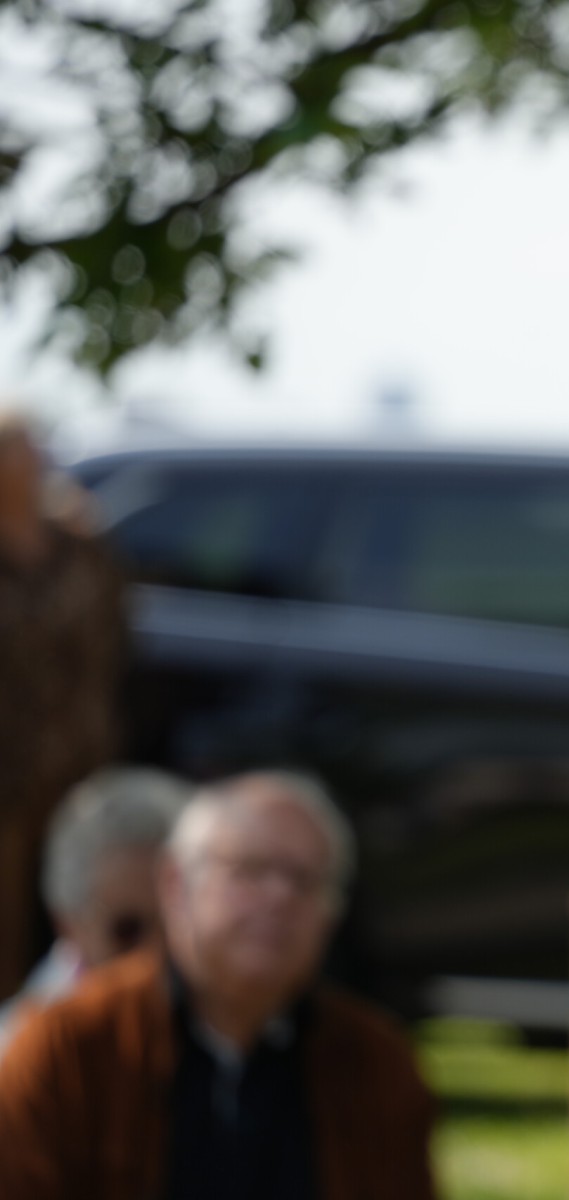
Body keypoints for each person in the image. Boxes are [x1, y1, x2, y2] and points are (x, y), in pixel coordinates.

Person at [0, 771, 438, 1200]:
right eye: (251, 870)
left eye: (306, 880)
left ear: (332, 915)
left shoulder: (375, 1066)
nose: (279, 897)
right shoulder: (69, 1047)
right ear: (175, 883)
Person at [0, 410, 128, 994]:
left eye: (34, 448)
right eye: (18, 450)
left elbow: (118, 633)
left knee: (81, 916)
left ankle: (73, 1031)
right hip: (7, 773)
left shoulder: (78, 542)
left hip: (78, 766)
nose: (34, 460)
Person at [0, 766, 189, 1060]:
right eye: (128, 931)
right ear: (68, 927)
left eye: (181, 924)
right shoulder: (20, 1059)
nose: (157, 958)